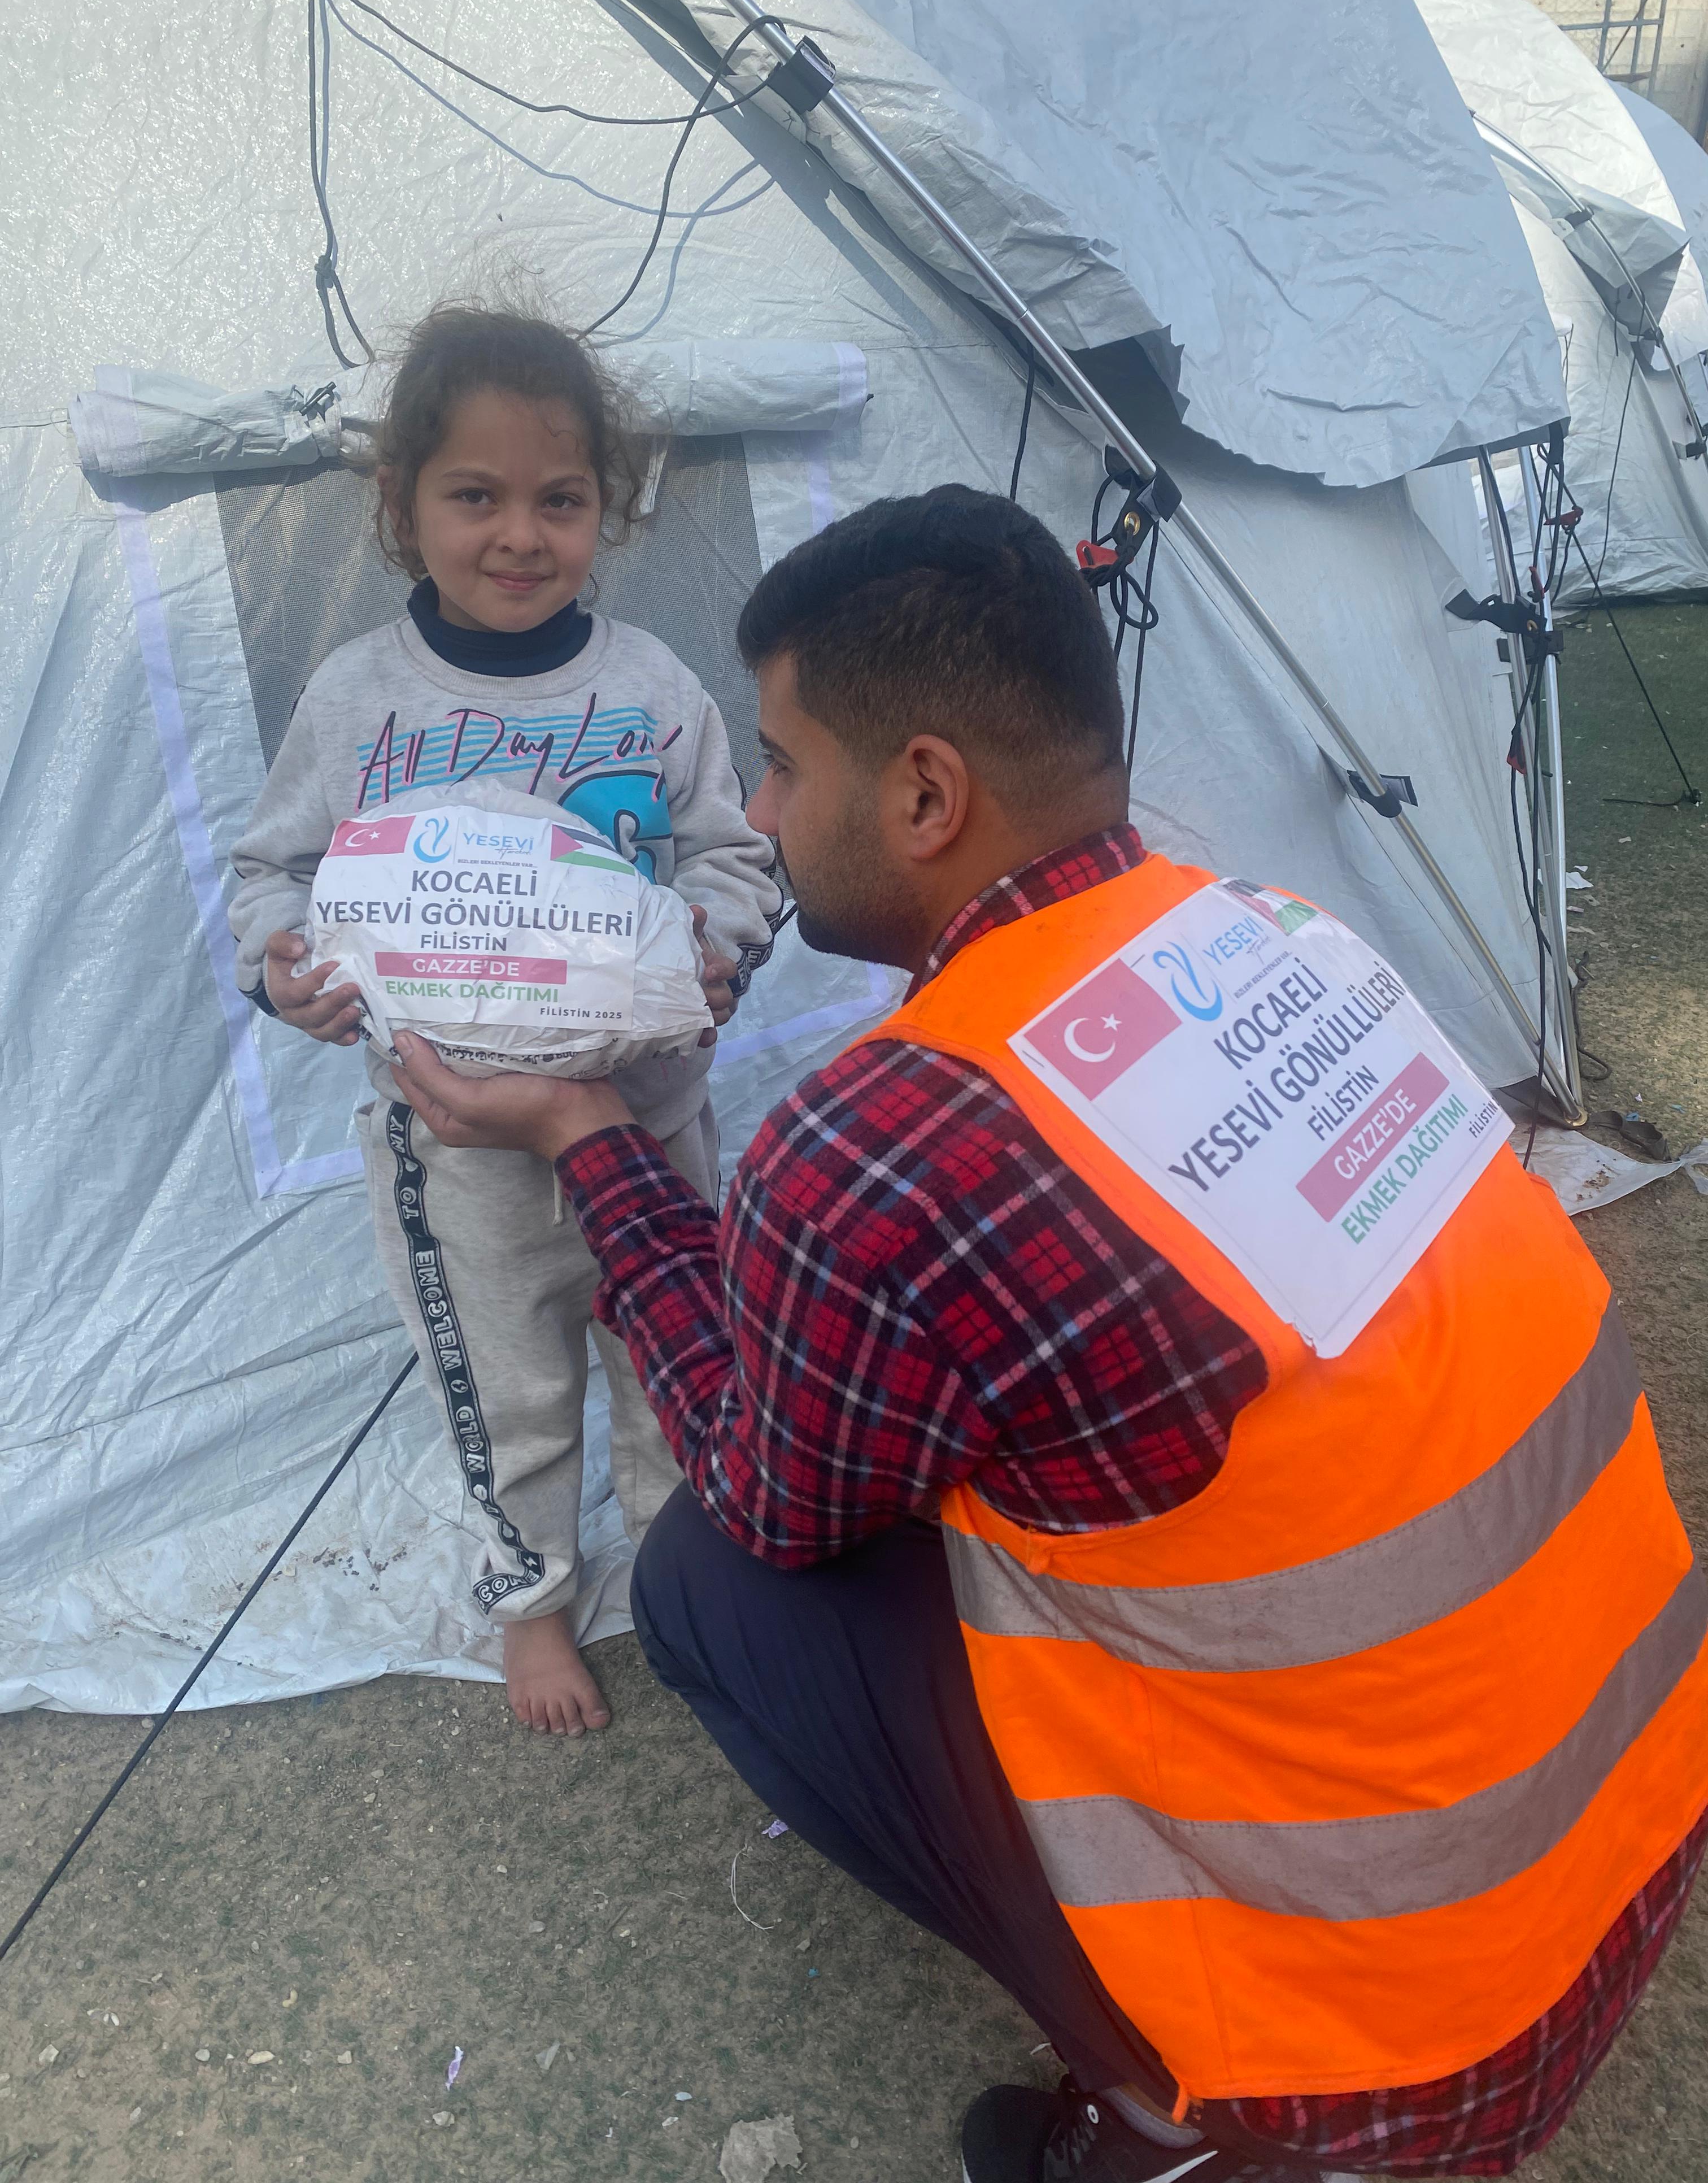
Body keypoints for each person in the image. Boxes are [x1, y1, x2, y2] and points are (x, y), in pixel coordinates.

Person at [389, 486, 1708, 2181]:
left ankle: (1164, 2107)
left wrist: (586, 1133)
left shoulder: (879, 1147)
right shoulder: (1281, 938)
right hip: (1634, 1842)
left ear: (924, 793)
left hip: (1383, 2061)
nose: (763, 814)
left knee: (711, 1582)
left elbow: (759, 1490)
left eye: (781, 765)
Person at [228, 303, 781, 1739]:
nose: (521, 536)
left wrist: (716, 945)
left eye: (562, 499)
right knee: (506, 1392)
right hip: (457, 1153)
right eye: (476, 496)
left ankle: (691, 1579)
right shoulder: (358, 698)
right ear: (401, 504)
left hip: (649, 1123)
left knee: (673, 1364)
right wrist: (281, 967)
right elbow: (274, 872)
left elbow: (732, 852)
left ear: (610, 507)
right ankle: (531, 1601)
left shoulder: (653, 685)